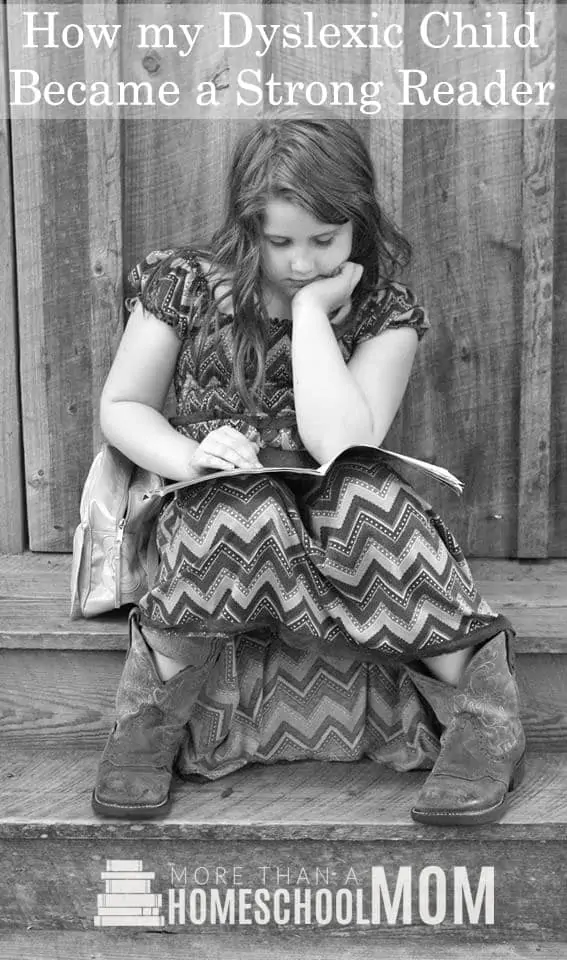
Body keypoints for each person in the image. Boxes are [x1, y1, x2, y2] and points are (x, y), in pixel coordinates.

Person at [91, 113, 525, 826]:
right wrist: (189, 457)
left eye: (323, 241)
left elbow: (342, 443)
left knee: (365, 507)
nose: (301, 262)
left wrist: (313, 315)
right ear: (247, 228)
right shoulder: (185, 285)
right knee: (240, 510)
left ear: (358, 223)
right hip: (215, 500)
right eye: (280, 242)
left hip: (333, 501)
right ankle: (148, 721)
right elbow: (124, 406)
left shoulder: (382, 313)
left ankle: (482, 724)